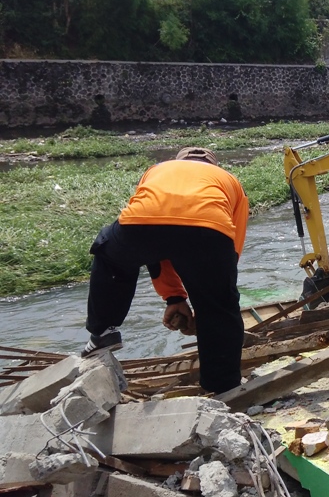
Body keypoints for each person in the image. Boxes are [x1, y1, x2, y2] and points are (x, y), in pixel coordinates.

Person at [82, 147, 249, 395]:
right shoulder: (228, 180)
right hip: (210, 226)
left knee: (110, 255)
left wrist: (174, 297)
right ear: (214, 166)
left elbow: (159, 237)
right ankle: (223, 387)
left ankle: (103, 332)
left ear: (178, 161)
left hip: (142, 222)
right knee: (220, 306)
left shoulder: (157, 170)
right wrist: (214, 291)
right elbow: (232, 246)